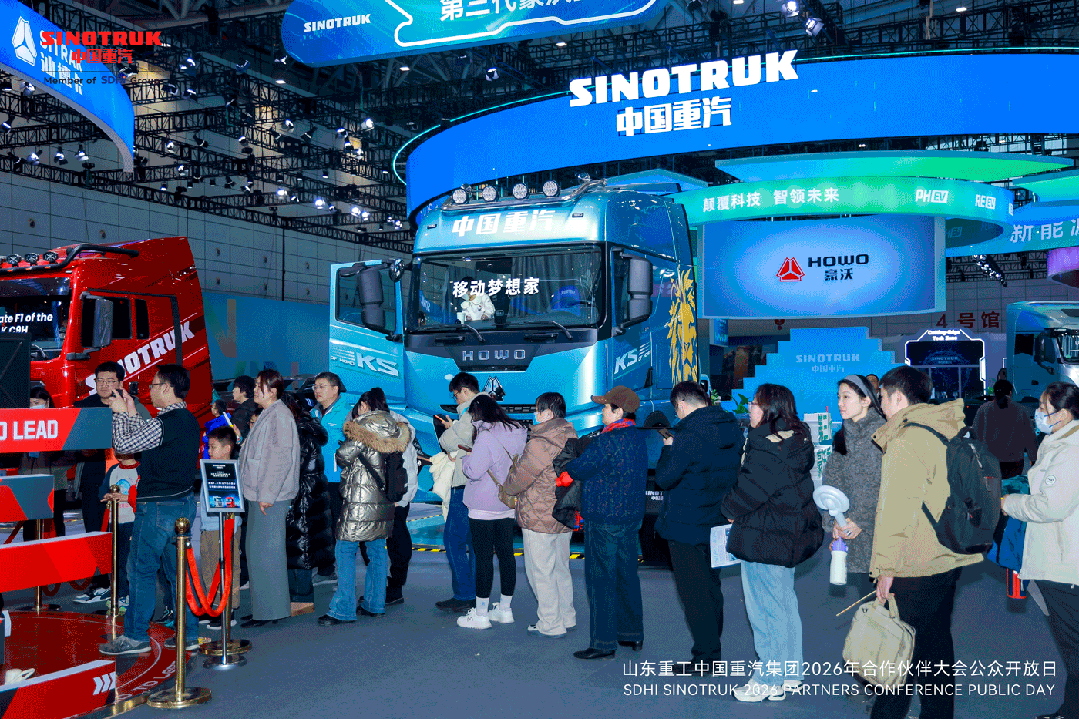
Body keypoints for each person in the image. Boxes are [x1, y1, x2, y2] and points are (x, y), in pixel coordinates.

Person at [870, 366, 983, 719]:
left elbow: (895, 512)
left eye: (882, 398)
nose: (881, 406)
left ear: (898, 397)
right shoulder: (945, 427)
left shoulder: (906, 440)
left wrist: (885, 569)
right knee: (935, 644)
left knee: (900, 650)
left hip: (915, 561)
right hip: (948, 552)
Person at [722, 383, 822, 702]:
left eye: (754, 403)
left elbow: (749, 490)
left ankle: (769, 678)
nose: (749, 408)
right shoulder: (796, 439)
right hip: (786, 534)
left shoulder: (765, 446)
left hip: (765, 536)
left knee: (765, 611)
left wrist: (727, 509)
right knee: (783, 605)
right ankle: (790, 672)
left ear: (768, 409)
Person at [98, 364, 202, 656]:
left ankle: (135, 636)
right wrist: (131, 413)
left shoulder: (167, 422)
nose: (150, 391)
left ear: (167, 388)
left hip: (157, 506)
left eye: (154, 385)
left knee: (140, 570)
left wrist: (120, 413)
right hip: (180, 503)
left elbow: (123, 445)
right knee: (177, 572)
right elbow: (143, 439)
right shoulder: (184, 420)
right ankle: (188, 634)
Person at [1001, 381, 1079, 719]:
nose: (1038, 414)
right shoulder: (1058, 443)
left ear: (1064, 414)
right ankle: (1070, 710)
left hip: (1065, 563)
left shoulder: (1071, 451)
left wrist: (1009, 503)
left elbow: (1051, 506)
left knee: (1073, 647)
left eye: (1044, 409)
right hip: (1058, 558)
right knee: (1072, 646)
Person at [654, 381, 741, 673]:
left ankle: (705, 657)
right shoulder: (731, 426)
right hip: (717, 519)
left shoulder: (688, 435)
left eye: (676, 410)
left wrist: (668, 449)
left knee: (694, 593)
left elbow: (665, 478)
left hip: (686, 523)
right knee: (712, 588)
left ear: (681, 405)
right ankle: (712, 650)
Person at [565, 386, 647, 660]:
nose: (602, 411)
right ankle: (632, 633)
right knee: (627, 575)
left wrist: (572, 458)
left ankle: (603, 642)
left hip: (604, 518)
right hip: (630, 517)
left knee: (601, 580)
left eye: (605, 407)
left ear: (619, 411)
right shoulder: (637, 437)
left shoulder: (606, 441)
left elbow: (580, 468)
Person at [318, 393, 410, 625]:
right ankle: (375, 603)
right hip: (383, 500)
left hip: (360, 501)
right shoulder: (395, 428)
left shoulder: (364, 428)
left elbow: (342, 456)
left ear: (364, 406)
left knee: (344, 550)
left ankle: (343, 609)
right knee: (377, 551)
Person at [502, 392, 579, 638]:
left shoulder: (540, 442)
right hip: (564, 512)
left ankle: (550, 623)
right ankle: (567, 617)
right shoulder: (571, 435)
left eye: (537, 410)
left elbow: (519, 479)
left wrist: (507, 486)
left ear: (548, 413)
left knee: (541, 573)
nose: (535, 415)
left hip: (539, 515)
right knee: (561, 568)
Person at [456, 395, 527, 629]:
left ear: (477, 413)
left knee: (484, 558)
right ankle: (505, 609)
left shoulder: (485, 436)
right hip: (507, 502)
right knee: (507, 555)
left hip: (483, 505)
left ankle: (481, 615)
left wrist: (466, 459)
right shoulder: (518, 431)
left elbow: (474, 471)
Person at [238, 369, 301, 628]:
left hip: (269, 497)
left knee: (267, 554)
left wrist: (267, 494)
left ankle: (270, 611)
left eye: (259, 386)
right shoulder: (270, 413)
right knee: (258, 552)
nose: (254, 390)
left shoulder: (279, 415)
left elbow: (280, 459)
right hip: (260, 494)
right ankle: (264, 609)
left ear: (273, 390)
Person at [821, 375, 887, 599]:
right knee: (867, 602)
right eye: (839, 397)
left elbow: (886, 486)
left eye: (846, 397)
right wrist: (835, 522)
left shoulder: (883, 434)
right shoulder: (843, 435)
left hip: (880, 534)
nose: (840, 403)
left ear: (866, 400)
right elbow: (832, 481)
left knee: (886, 604)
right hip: (850, 532)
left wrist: (861, 519)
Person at [359, 388, 419, 607]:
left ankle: (390, 587)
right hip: (384, 495)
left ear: (367, 406)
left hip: (389, 496)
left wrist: (401, 496)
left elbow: (406, 465)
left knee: (389, 542)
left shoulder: (391, 427)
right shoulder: (392, 425)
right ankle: (386, 585)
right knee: (382, 541)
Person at [73, 361, 127, 604]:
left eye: (109, 381)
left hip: (123, 480)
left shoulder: (128, 405)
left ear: (120, 383)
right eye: (100, 380)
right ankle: (99, 583)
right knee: (94, 531)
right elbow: (75, 441)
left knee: (122, 534)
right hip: (94, 477)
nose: (104, 385)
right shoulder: (85, 407)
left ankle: (122, 586)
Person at [434, 372, 480, 613]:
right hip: (483, 486)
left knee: (453, 539)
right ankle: (475, 593)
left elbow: (447, 442)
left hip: (464, 484)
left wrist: (451, 429)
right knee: (475, 542)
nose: (456, 400)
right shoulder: (490, 410)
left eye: (456, 395)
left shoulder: (470, 411)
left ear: (464, 391)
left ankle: (464, 593)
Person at [284, 394, 334, 606]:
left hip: (301, 496)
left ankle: (301, 597)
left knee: (300, 547)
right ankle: (299, 596)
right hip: (309, 495)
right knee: (301, 545)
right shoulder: (306, 429)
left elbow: (293, 468)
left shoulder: (299, 433)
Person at [199, 426, 243, 629]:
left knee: (227, 567)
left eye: (213, 447)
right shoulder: (209, 467)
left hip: (226, 526)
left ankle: (228, 608)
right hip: (208, 526)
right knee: (209, 568)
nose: (209, 451)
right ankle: (214, 605)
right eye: (209, 447)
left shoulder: (232, 470)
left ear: (227, 448)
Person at [311, 371, 350, 582]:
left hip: (337, 478)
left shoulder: (347, 413)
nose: (317, 390)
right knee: (319, 525)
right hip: (316, 478)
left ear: (335, 389)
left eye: (322, 386)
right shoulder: (313, 413)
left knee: (337, 525)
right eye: (315, 387)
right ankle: (325, 568)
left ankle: (341, 571)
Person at [20, 387, 72, 540]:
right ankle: (29, 551)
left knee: (56, 523)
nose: (33, 406)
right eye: (30, 403)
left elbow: (70, 455)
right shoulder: (23, 423)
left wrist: (50, 469)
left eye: (37, 403)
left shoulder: (59, 422)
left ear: (47, 403)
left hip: (55, 483)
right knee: (29, 524)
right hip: (29, 482)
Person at [973, 379, 1038, 479]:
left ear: (994, 392)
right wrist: (1034, 459)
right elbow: (1029, 437)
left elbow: (976, 434)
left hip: (989, 461)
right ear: (1010, 392)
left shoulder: (984, 409)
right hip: (1014, 462)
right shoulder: (1020, 410)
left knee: (993, 487)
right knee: (1011, 487)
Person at [98, 453, 139, 610]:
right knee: (117, 561)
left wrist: (126, 497)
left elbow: (144, 496)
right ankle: (121, 593)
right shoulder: (113, 470)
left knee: (130, 561)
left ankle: (131, 595)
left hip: (132, 521)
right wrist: (107, 495)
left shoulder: (140, 469)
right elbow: (101, 491)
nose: (118, 452)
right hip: (114, 521)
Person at [230, 376, 258, 442]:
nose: (233, 390)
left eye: (235, 387)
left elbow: (235, 435)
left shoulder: (241, 411)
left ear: (244, 391)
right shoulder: (257, 405)